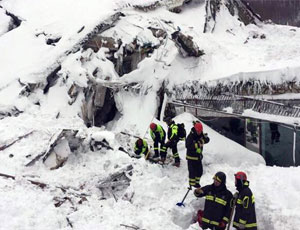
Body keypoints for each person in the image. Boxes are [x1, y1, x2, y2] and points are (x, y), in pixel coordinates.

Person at [186, 121, 209, 188]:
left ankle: (196, 183)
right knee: (192, 172)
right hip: (191, 157)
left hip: (198, 157)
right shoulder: (190, 136)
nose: (199, 132)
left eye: (200, 131)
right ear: (195, 129)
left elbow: (207, 139)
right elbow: (187, 145)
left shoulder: (201, 134)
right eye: (198, 131)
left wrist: (202, 141)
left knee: (199, 171)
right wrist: (197, 145)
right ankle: (191, 185)